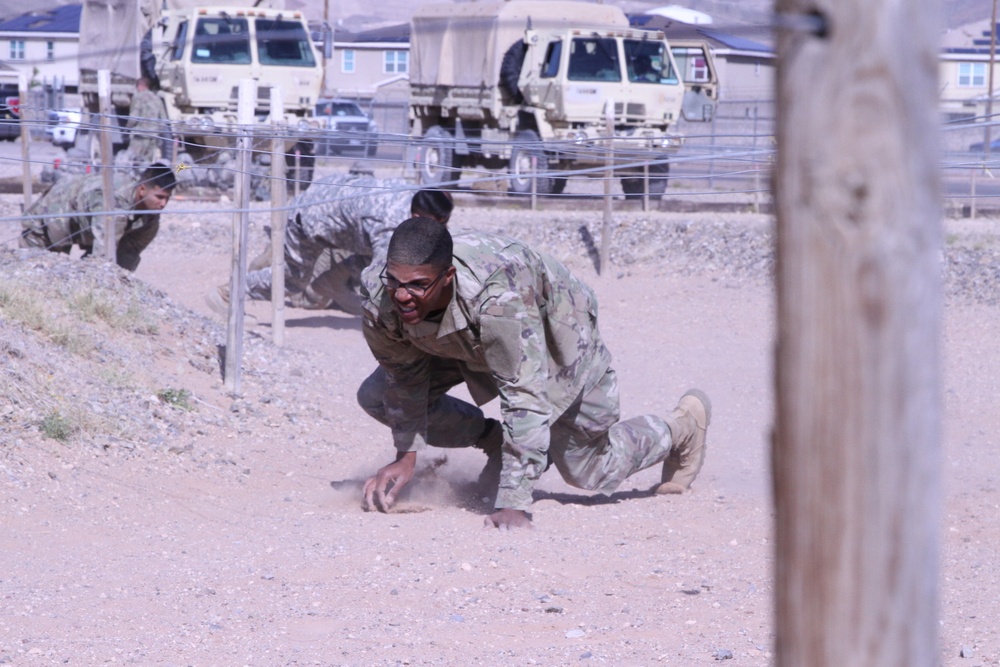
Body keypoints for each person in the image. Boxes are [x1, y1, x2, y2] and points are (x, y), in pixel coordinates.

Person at [358, 218, 712, 529]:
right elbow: (403, 374)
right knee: (377, 398)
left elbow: (523, 395)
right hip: (459, 337)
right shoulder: (380, 292)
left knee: (586, 468)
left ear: (447, 276)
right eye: (396, 281)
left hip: (549, 331)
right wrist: (406, 456)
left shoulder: (498, 298)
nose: (402, 295)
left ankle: (681, 428)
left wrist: (513, 501)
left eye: (418, 285)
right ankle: (493, 440)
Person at [207, 173, 453, 316]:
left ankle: (330, 281)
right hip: (309, 222)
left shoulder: (415, 197)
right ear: (417, 217)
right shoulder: (389, 224)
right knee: (291, 281)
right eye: (436, 224)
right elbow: (380, 279)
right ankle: (227, 293)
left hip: (334, 209)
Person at [19, 163, 177, 272]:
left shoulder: (150, 218)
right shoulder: (114, 202)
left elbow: (129, 252)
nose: (163, 204)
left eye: (167, 199)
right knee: (37, 271)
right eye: (159, 197)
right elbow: (102, 258)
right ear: (142, 189)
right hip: (51, 217)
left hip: (83, 224)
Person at [126, 77, 169, 164]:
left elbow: (133, 117)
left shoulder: (137, 97)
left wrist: (126, 129)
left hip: (139, 137)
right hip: (153, 138)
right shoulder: (157, 98)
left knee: (132, 161)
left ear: (140, 86)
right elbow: (164, 120)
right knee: (147, 164)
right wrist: (156, 132)